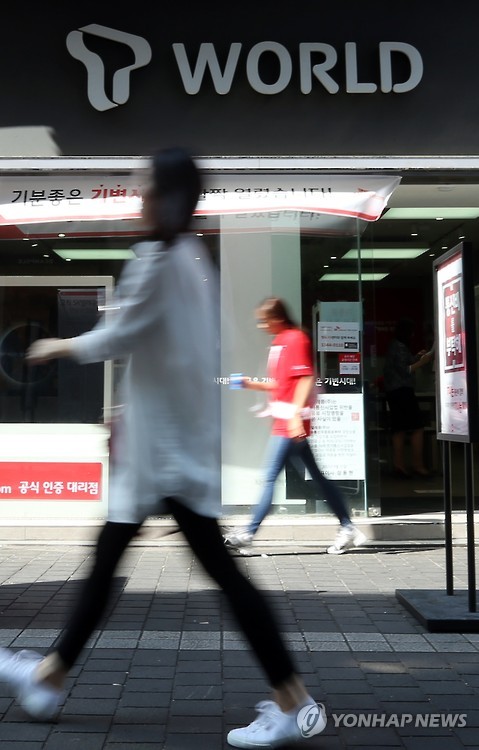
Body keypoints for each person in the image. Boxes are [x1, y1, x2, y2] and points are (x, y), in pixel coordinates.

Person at [0, 148, 326, 748]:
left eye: (146, 186)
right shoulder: (190, 258)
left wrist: (56, 347)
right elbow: (168, 354)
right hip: (171, 449)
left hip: (166, 459)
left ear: (169, 199)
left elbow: (121, 335)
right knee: (116, 559)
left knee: (212, 573)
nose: (138, 195)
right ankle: (48, 678)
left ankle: (295, 703)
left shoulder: (157, 262)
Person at [224, 297, 366, 555]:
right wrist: (249, 383)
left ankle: (248, 533)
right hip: (287, 420)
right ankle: (347, 526)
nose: (261, 326)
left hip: (289, 423)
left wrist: (295, 417)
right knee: (318, 478)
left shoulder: (295, 339)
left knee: (270, 476)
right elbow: (281, 384)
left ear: (277, 318)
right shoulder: (280, 341)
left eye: (264, 321)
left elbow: (305, 378)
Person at [383, 317, 434, 478]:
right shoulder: (399, 346)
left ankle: (399, 465)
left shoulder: (395, 346)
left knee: (399, 429)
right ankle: (418, 465)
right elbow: (405, 370)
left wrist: (416, 357)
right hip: (402, 392)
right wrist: (422, 362)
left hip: (393, 392)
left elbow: (403, 365)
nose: (412, 335)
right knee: (417, 427)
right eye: (411, 332)